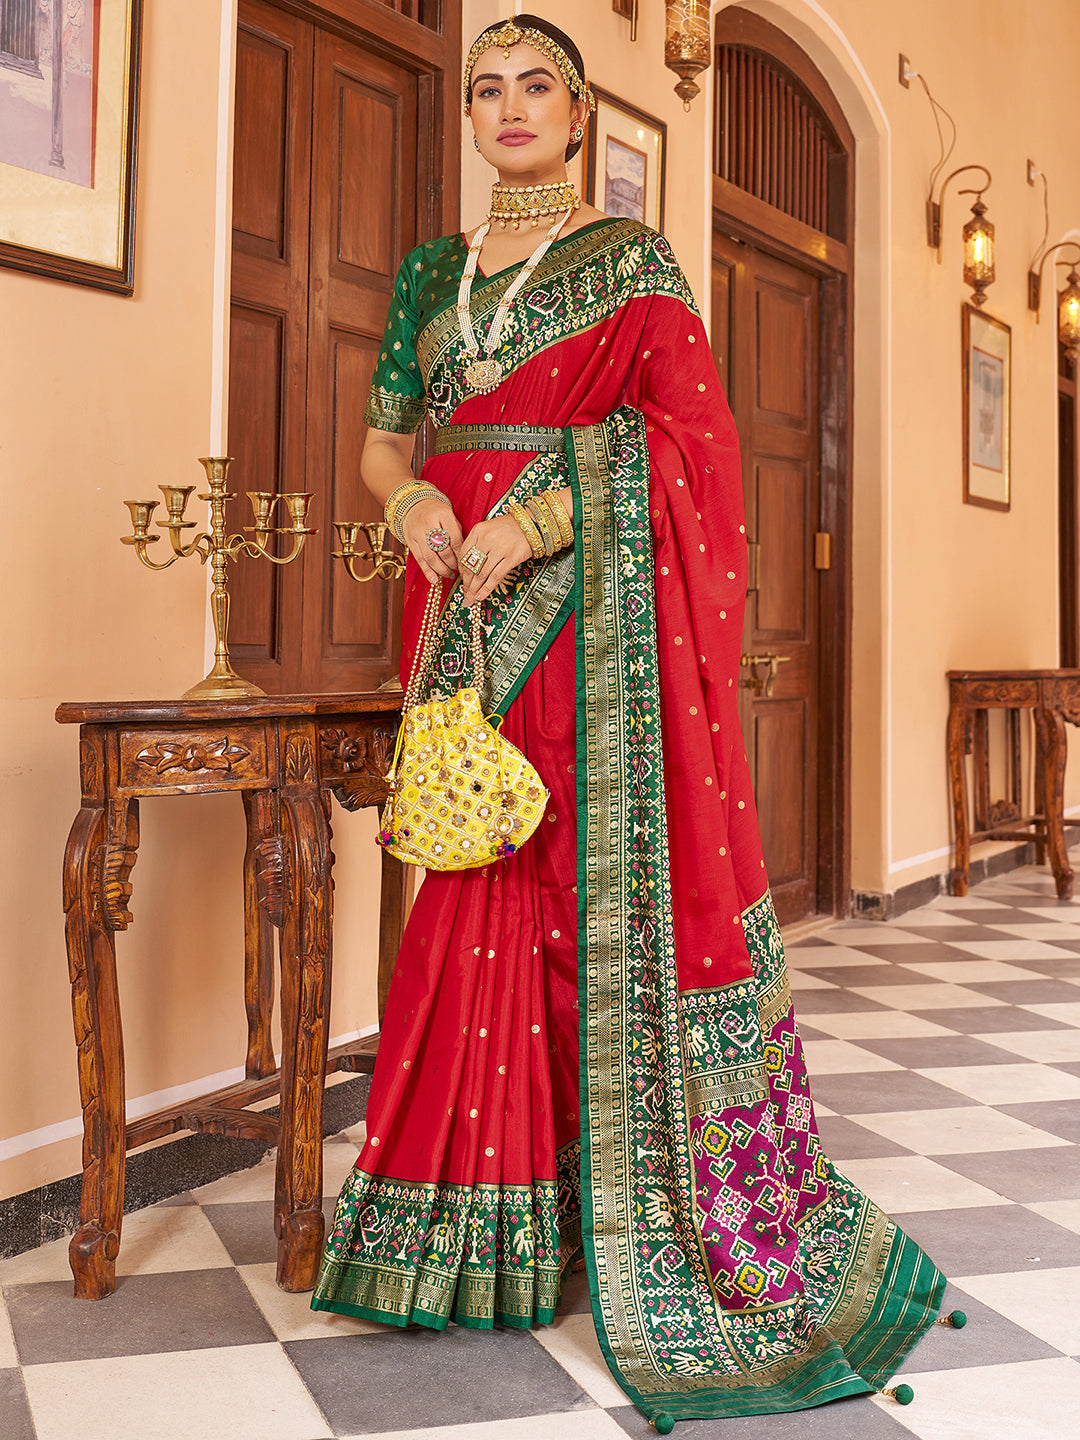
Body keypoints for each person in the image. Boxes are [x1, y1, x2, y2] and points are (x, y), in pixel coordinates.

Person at [312, 15, 949, 1429]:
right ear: (468, 118)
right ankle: (461, 1223)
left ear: (583, 112)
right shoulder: (435, 272)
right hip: (456, 617)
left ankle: (612, 1210)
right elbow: (380, 438)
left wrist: (542, 514)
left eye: (536, 84)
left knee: (571, 887)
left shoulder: (633, 268)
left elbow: (694, 449)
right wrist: (412, 501)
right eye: (486, 88)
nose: (508, 106)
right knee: (467, 874)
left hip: (585, 621)